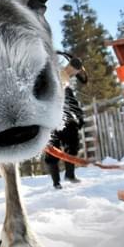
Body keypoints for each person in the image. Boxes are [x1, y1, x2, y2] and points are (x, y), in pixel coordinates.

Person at [45, 53, 88, 189]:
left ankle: (70, 175)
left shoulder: (67, 82)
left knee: (72, 144)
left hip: (65, 118)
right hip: (50, 118)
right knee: (52, 149)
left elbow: (72, 100)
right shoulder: (55, 74)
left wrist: (79, 117)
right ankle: (56, 182)